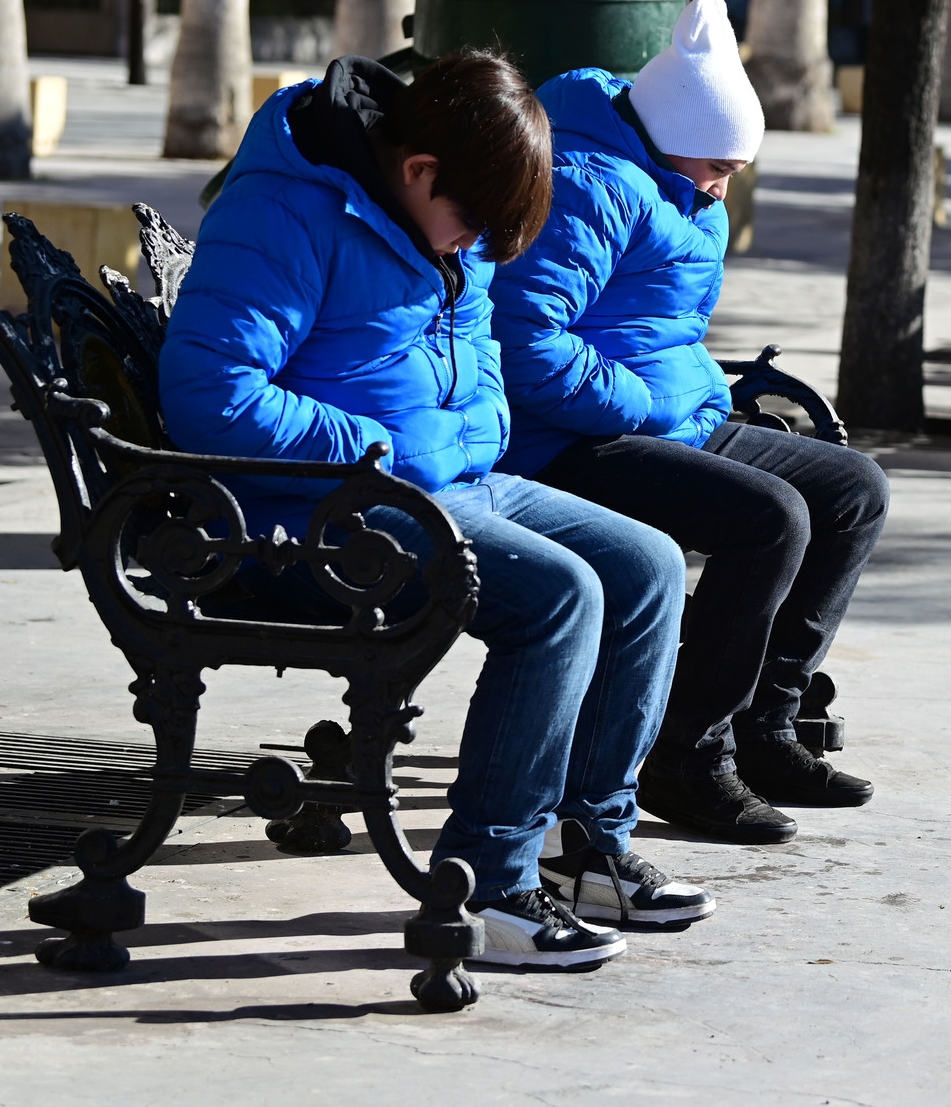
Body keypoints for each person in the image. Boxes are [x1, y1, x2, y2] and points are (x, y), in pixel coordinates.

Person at [158, 50, 714, 964]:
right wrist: (370, 449)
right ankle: (489, 889)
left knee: (647, 565)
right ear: (418, 170)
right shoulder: (292, 207)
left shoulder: (450, 212)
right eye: (474, 226)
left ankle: (585, 843)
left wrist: (480, 424)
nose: (476, 248)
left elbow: (481, 341)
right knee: (561, 597)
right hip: (319, 511)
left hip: (447, 481)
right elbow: (211, 390)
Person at [490, 0, 891, 845]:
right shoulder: (590, 186)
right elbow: (523, 345)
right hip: (570, 439)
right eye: (718, 165)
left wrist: (687, 394)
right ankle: (686, 754)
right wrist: (649, 401)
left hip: (670, 416)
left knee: (852, 489)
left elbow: (660, 331)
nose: (724, 184)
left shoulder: (673, 178)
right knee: (767, 520)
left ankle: (765, 726)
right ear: (671, 134)